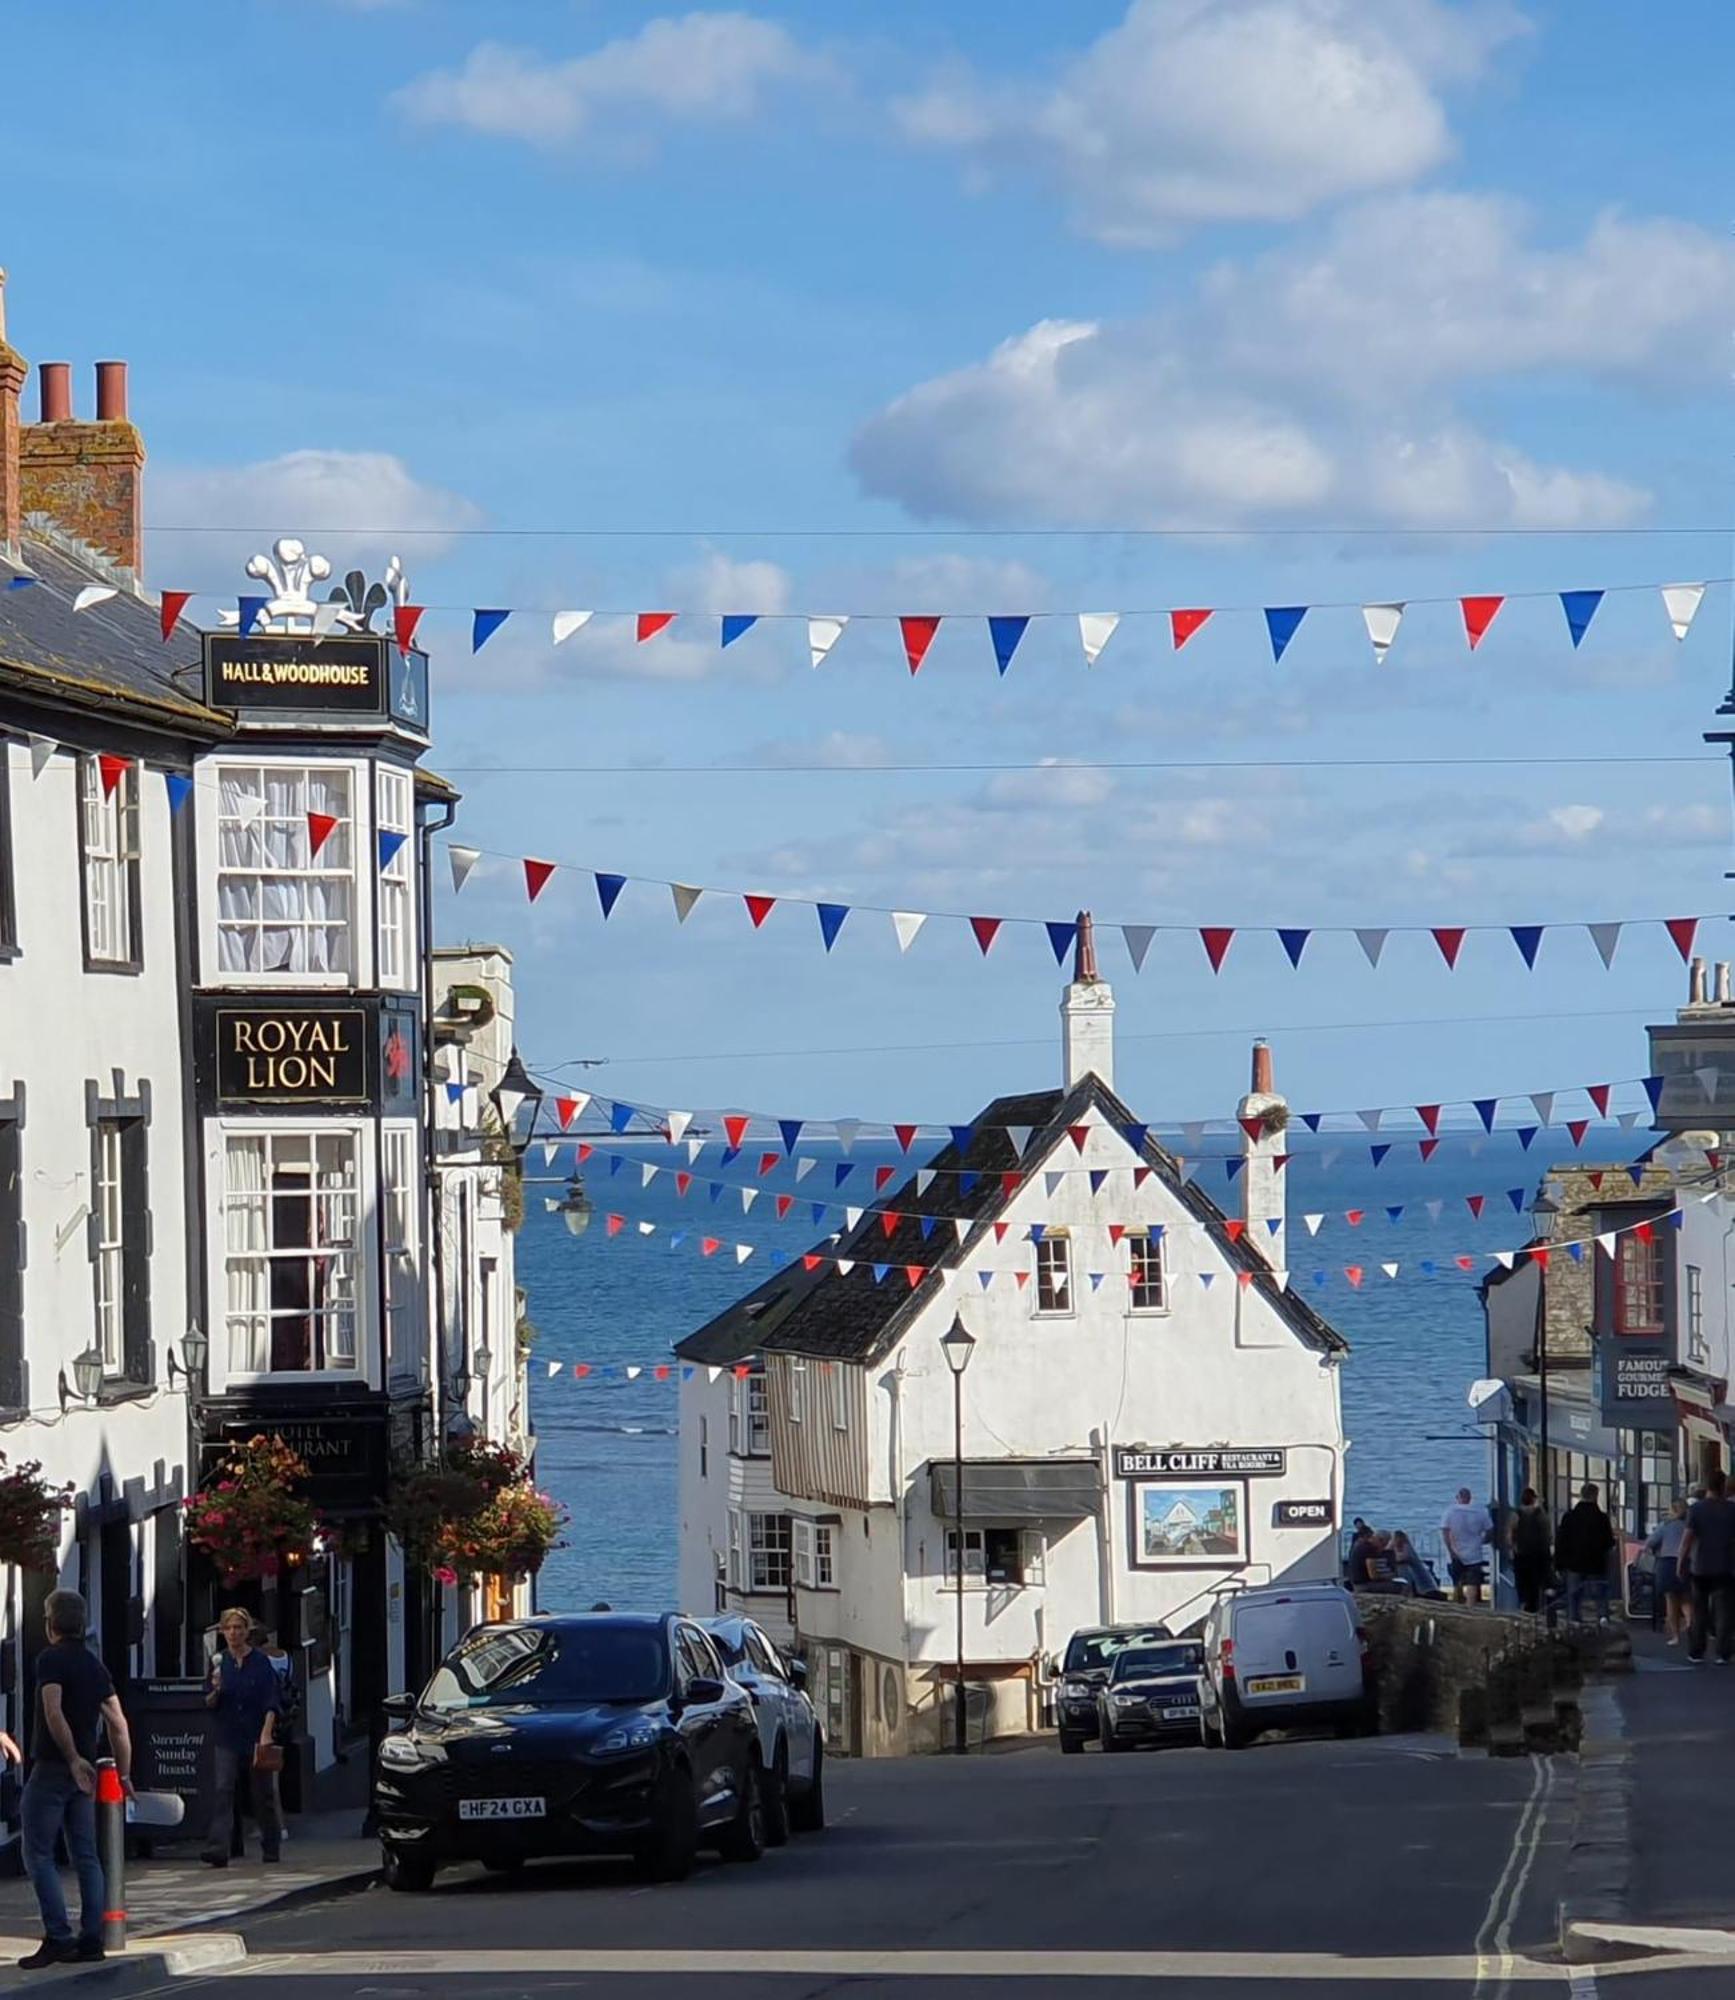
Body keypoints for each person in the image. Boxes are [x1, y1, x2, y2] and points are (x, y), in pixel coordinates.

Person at [17, 1589, 132, 1970]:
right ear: (81, 1623)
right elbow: (118, 1723)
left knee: (37, 1853)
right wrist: (124, 1772)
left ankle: (59, 1937)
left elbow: (52, 1711)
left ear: (50, 1623)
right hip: (86, 1776)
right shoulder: (94, 1665)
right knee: (86, 1854)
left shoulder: (50, 1659)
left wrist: (71, 1758)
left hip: (54, 1767)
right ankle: (92, 1939)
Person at [202, 1607, 283, 1866]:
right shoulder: (219, 1662)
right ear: (223, 1632)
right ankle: (219, 1848)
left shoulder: (260, 1663)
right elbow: (208, 1702)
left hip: (255, 1734)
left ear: (247, 1631)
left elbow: (271, 1700)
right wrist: (216, 1690)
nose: (234, 1633)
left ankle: (271, 1846)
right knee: (224, 1789)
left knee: (262, 1794)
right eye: (229, 1628)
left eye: (239, 1628)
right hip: (227, 1734)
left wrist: (266, 1733)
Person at [1680, 1469, 1735, 1665]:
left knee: (1699, 1610)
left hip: (1700, 1566)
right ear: (1723, 1487)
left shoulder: (1696, 1510)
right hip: (1725, 1566)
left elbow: (1687, 1540)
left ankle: (1696, 1651)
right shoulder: (1731, 1510)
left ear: (1707, 1486)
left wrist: (1680, 1563)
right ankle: (1723, 1652)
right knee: (1724, 1612)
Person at [1555, 1483, 1617, 1624]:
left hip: (1574, 1563)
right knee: (1599, 1594)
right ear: (1595, 1495)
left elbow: (1561, 1541)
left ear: (1581, 1495)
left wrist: (1558, 1564)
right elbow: (1609, 1542)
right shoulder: (1601, 1518)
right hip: (1596, 1563)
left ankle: (1574, 1622)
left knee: (1574, 1596)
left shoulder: (1569, 1517)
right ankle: (1602, 1618)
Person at [1646, 1499, 1691, 1644]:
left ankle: (1676, 1636)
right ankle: (1691, 1626)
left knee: (1671, 1600)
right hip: (1687, 1563)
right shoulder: (1689, 1525)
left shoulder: (1665, 1525)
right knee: (1686, 1599)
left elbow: (1650, 1542)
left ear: (1672, 1510)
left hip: (1667, 1563)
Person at [1441, 1487, 1494, 1604]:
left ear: (1458, 1498)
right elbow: (1490, 1530)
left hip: (1455, 1552)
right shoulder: (1480, 1512)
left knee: (1457, 1582)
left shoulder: (1450, 1512)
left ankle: (1457, 1605)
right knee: (1472, 1583)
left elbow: (1445, 1531)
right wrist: (1483, 1540)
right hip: (1474, 1552)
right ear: (1470, 1498)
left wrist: (1450, 1550)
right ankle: (1470, 1607)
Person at [1508, 1488, 1553, 1614]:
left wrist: (1512, 1549)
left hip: (1521, 1554)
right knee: (1537, 1582)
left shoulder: (1516, 1514)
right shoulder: (1541, 1514)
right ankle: (1536, 1607)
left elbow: (1510, 1534)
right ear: (1533, 1499)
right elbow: (1547, 1534)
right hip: (1539, 1554)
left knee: (1522, 1583)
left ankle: (1524, 1605)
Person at [1389, 1531, 1443, 1598]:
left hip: (1426, 1590)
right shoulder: (1402, 1553)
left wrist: (1388, 1548)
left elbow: (1402, 1558)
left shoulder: (1408, 1552)